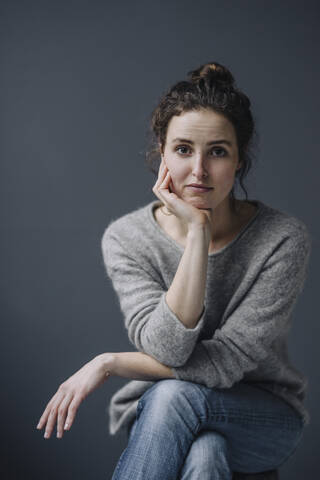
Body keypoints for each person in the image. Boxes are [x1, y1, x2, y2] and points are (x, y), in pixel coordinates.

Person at [36, 61, 312, 479]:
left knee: (175, 396)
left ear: (239, 160)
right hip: (162, 416)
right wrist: (199, 235)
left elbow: (226, 363)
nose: (198, 171)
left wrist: (111, 362)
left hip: (263, 416)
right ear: (161, 153)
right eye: (183, 150)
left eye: (217, 151)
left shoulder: (282, 238)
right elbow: (169, 348)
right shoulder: (126, 238)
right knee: (204, 453)